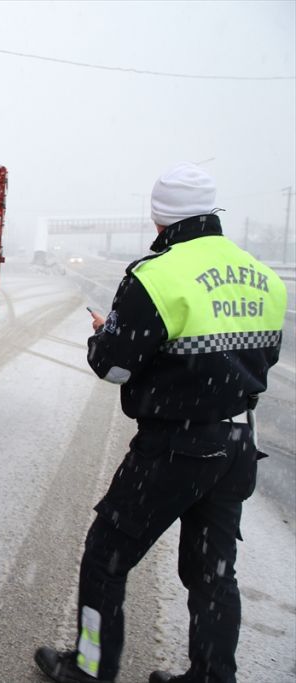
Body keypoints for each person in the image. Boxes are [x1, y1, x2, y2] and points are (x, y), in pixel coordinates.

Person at [34, 162, 287, 683]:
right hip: (238, 441)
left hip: (177, 446)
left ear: (158, 220)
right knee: (213, 573)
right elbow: (264, 358)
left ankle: (89, 669)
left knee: (107, 554)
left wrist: (106, 335)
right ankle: (213, 677)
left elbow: (115, 366)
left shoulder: (156, 276)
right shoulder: (263, 276)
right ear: (212, 213)